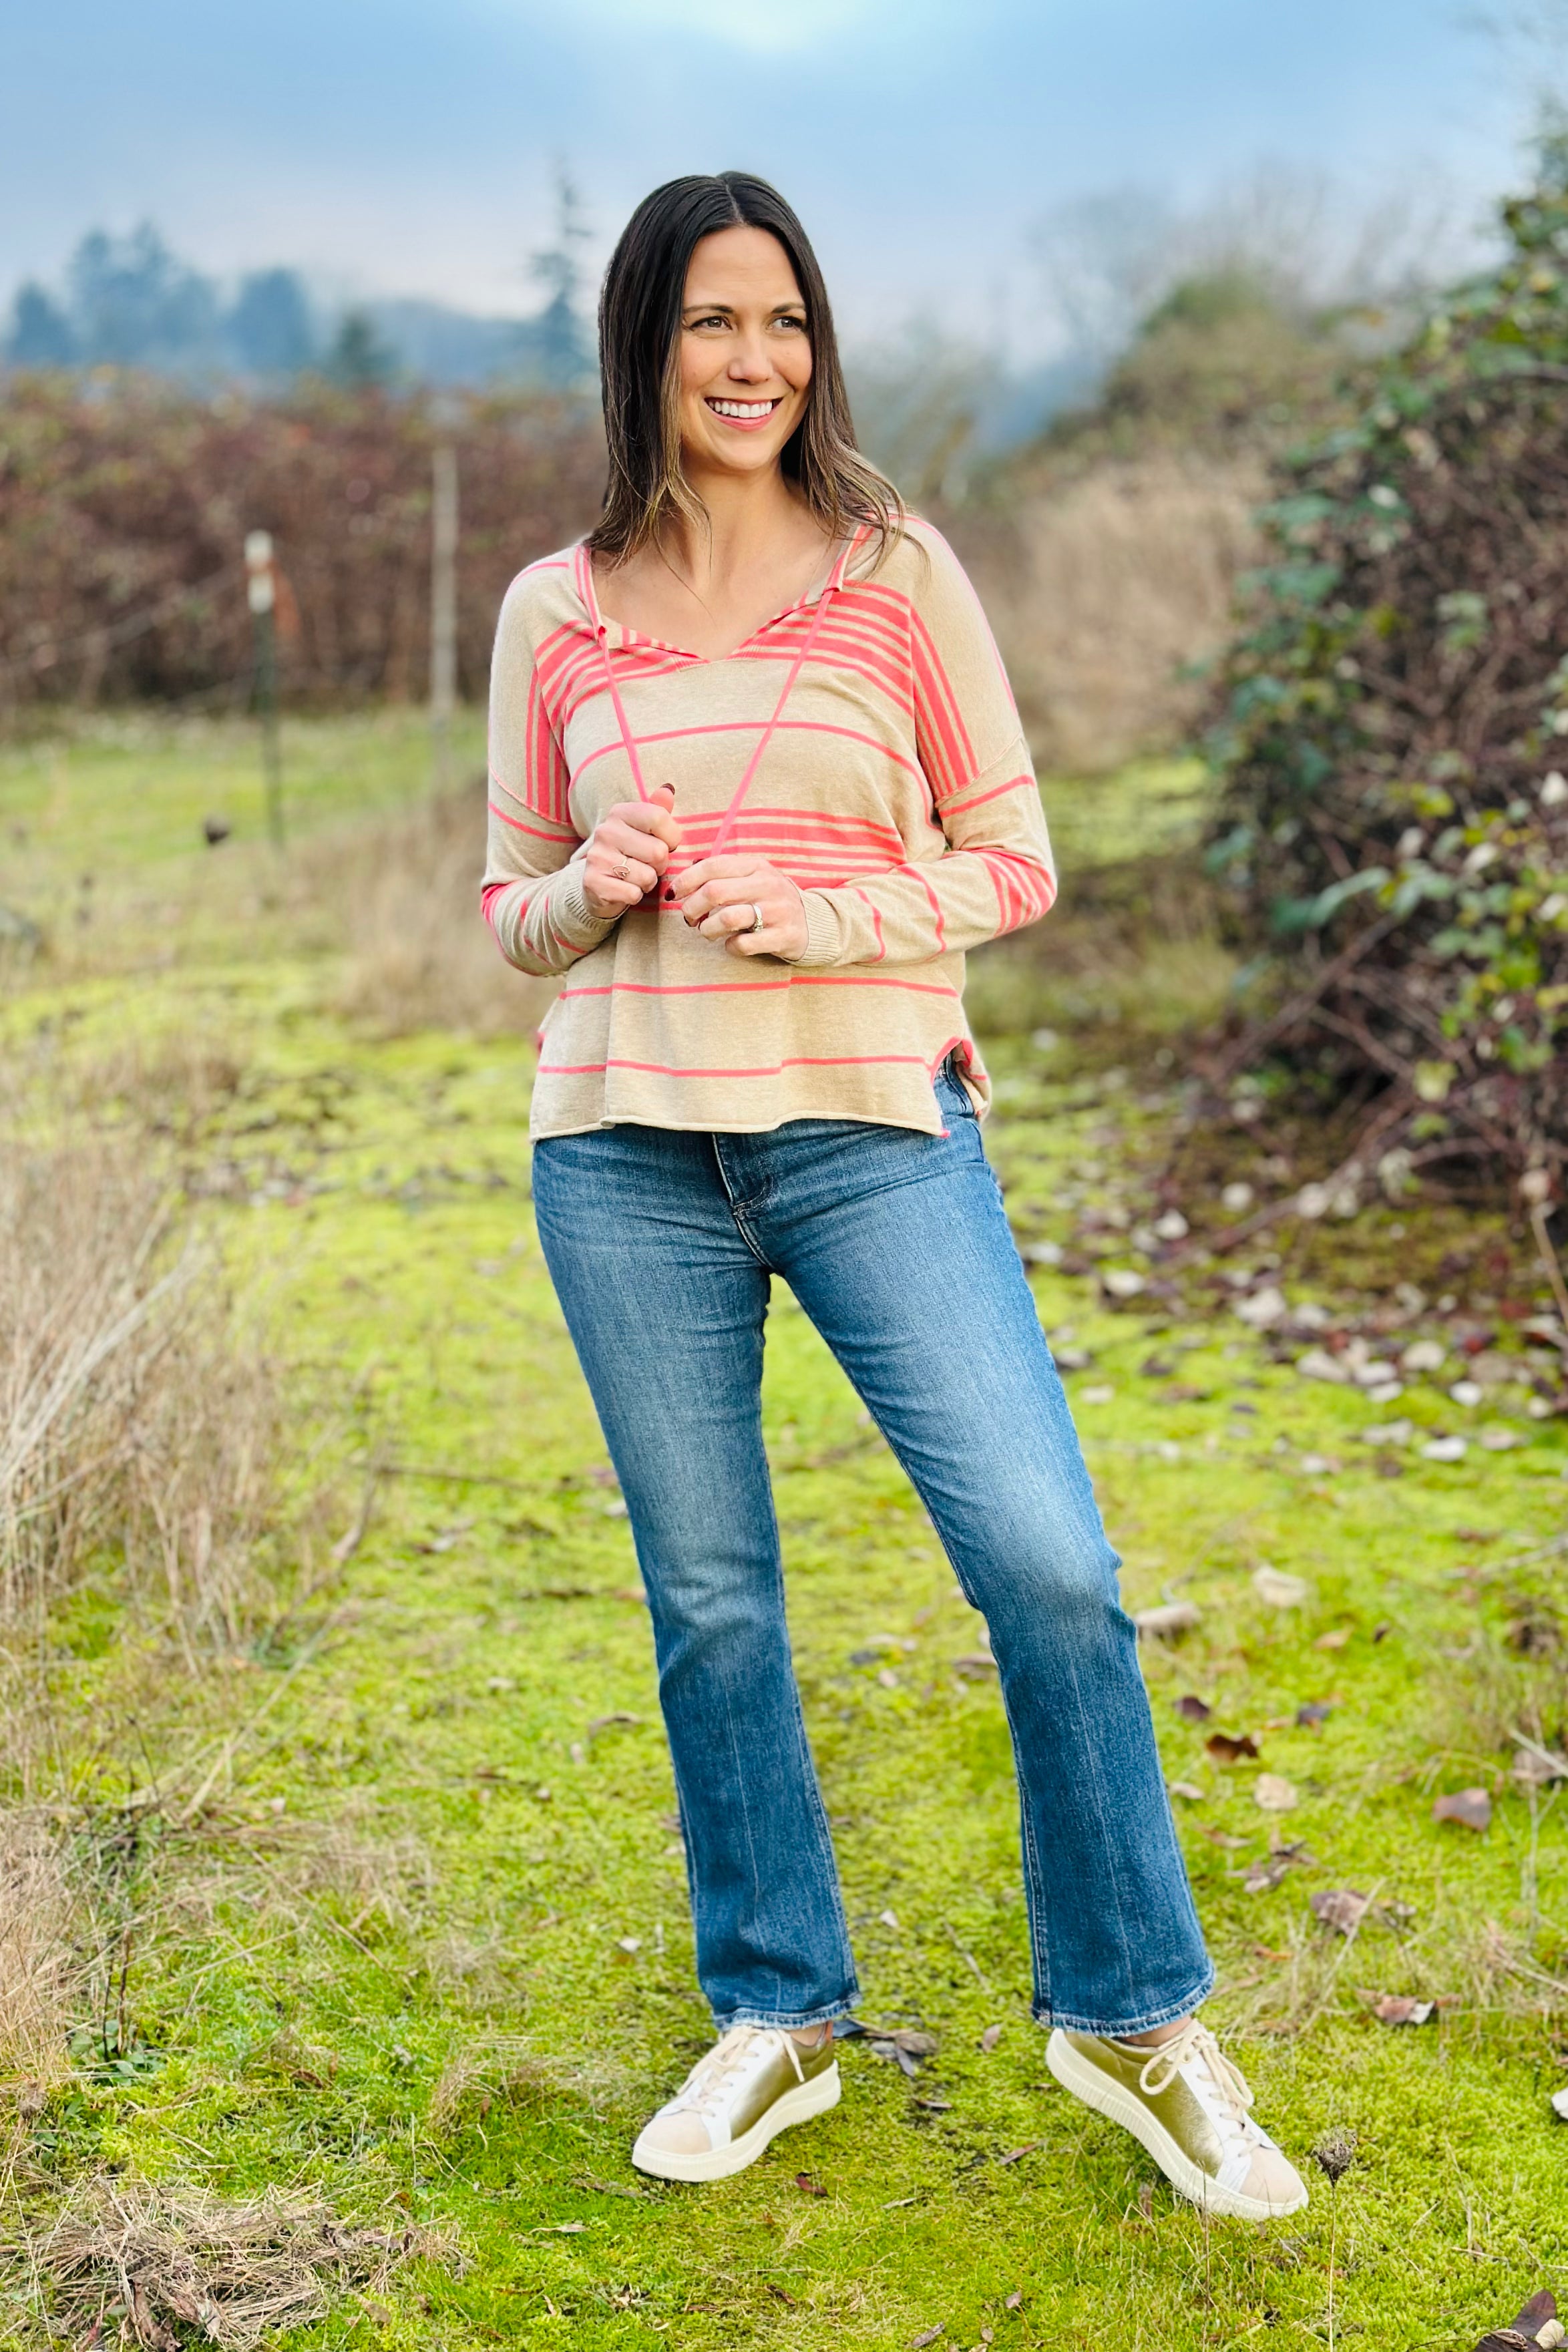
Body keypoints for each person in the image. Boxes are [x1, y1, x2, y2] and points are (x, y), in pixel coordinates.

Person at [481, 169, 1307, 2223]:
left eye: (781, 323)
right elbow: (510, 907)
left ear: (814, 343)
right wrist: (592, 889)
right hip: (618, 1155)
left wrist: (831, 913)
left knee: (1044, 1563)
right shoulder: (551, 611)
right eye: (708, 325)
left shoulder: (894, 571)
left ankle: (1127, 2017)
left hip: (869, 1129)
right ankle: (777, 2011)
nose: (752, 360)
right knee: (710, 1602)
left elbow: (1015, 862)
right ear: (642, 347)